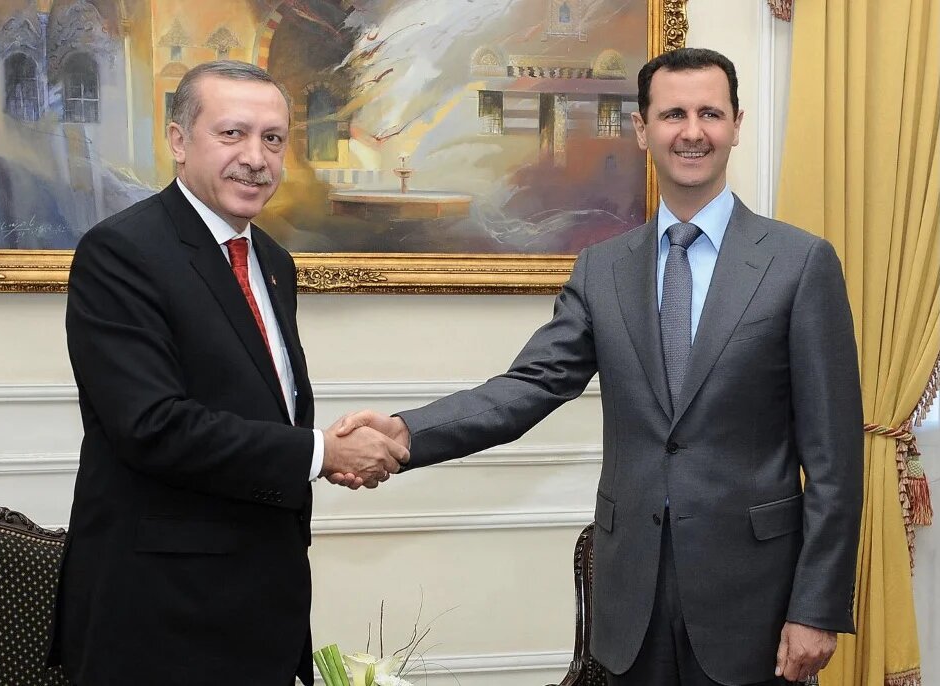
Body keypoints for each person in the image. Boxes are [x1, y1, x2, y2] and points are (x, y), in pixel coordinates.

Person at [332, 48, 864, 686]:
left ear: (736, 124)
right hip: (627, 601)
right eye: (672, 114)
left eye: (709, 114)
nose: (691, 131)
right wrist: (406, 432)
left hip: (754, 603)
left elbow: (835, 462)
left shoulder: (800, 263)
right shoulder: (602, 268)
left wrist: (817, 607)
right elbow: (530, 385)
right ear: (642, 130)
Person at [47, 61, 408, 686]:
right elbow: (152, 426)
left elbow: (257, 411)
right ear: (179, 141)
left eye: (272, 138)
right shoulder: (122, 253)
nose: (255, 157)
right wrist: (321, 452)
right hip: (160, 620)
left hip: (260, 612)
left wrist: (320, 452)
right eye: (232, 134)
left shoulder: (271, 261)